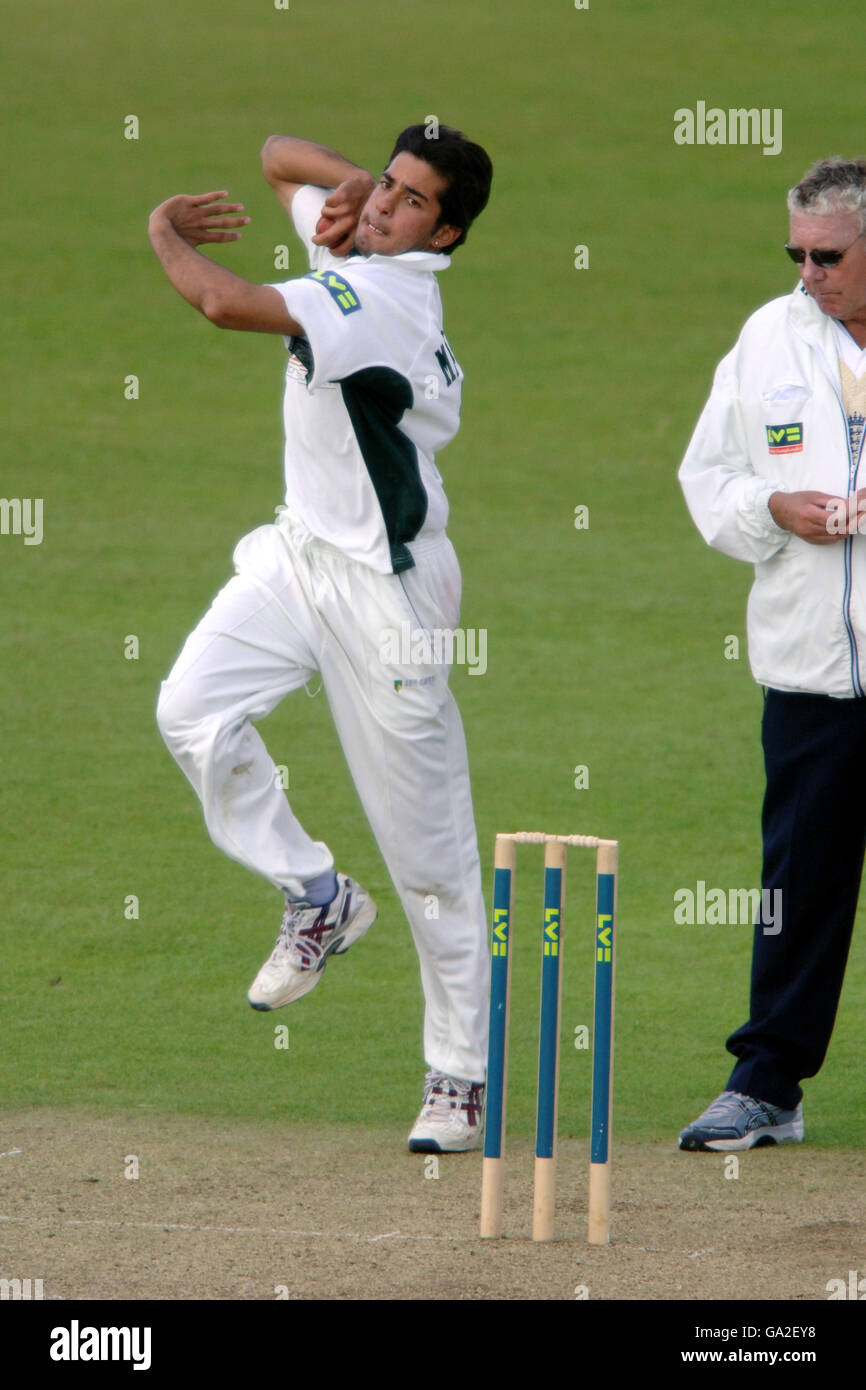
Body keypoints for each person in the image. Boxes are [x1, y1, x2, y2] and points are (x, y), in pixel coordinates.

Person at [147, 124, 493, 1153]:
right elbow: (269, 152)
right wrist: (348, 184)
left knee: (427, 853)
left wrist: (161, 229)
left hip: (390, 595)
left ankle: (458, 1077)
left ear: (450, 233)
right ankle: (316, 893)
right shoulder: (363, 237)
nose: (386, 205)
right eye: (389, 185)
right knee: (190, 711)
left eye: (412, 200)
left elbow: (218, 300)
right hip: (302, 555)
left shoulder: (377, 297)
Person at [678, 156, 866, 1151]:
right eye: (794, 253)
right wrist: (771, 507)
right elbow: (706, 476)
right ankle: (766, 1082)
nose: (807, 273)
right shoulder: (767, 338)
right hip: (808, 667)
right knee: (799, 880)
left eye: (826, 255)